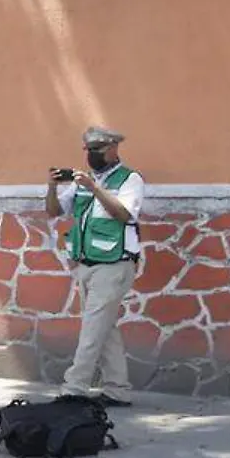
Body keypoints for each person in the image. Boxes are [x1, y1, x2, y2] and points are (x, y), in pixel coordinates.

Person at [46, 126, 144, 408]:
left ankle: (73, 388)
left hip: (115, 263)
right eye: (89, 150)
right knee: (105, 327)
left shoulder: (130, 179)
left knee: (92, 327)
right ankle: (118, 390)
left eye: (98, 150)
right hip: (85, 262)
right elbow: (54, 211)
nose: (92, 155)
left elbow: (124, 215)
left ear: (113, 148)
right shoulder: (81, 181)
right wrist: (52, 186)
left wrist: (95, 189)